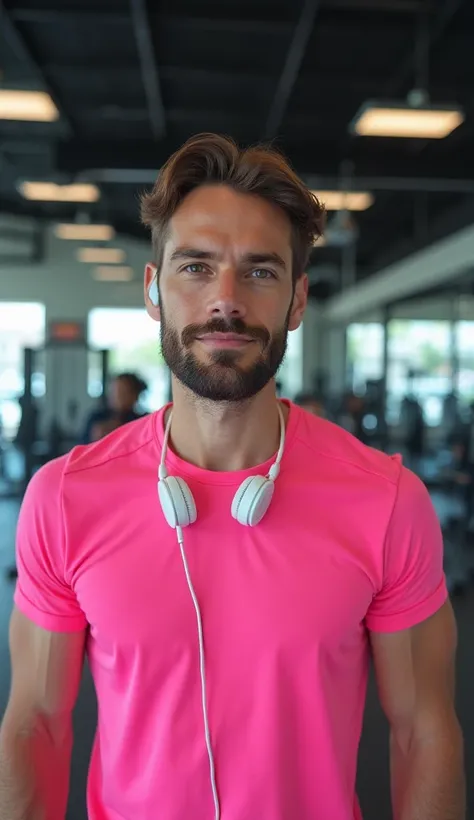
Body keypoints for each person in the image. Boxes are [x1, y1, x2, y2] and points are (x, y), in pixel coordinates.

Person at [0, 133, 464, 820]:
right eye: (195, 267)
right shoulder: (65, 498)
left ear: (298, 301)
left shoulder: (387, 502)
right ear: (154, 290)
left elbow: (424, 731)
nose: (226, 299)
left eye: (260, 271)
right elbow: (34, 721)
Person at [81, 371, 148, 443]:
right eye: (113, 391)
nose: (116, 396)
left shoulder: (142, 421)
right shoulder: (96, 418)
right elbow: (82, 445)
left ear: (135, 395)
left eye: (123, 392)